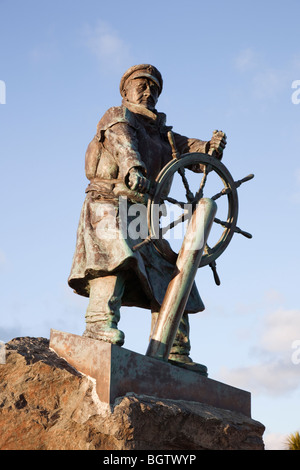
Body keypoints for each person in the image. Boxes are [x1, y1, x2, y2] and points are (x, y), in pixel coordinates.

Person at [68, 64, 226, 375]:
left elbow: (194, 152)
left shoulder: (163, 135)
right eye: (141, 85)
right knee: (114, 259)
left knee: (170, 273)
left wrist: (211, 149)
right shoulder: (117, 117)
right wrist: (133, 169)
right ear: (125, 91)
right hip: (109, 203)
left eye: (153, 88)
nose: (148, 92)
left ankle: (175, 350)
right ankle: (100, 325)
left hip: (144, 213)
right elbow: (122, 143)